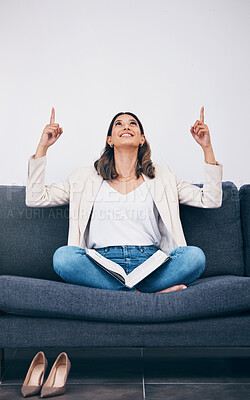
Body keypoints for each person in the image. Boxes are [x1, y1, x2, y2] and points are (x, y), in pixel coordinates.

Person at [26, 106, 223, 293]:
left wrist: (207, 148)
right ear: (109, 140)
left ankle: (122, 293)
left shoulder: (164, 176)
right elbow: (37, 198)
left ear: (142, 139)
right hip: (102, 263)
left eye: (133, 124)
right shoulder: (83, 177)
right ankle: (144, 294)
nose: (126, 126)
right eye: (119, 124)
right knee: (63, 258)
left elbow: (210, 199)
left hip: (151, 264)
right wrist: (43, 146)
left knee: (195, 256)